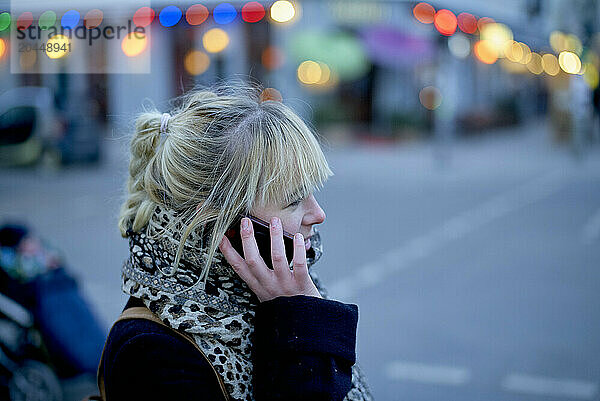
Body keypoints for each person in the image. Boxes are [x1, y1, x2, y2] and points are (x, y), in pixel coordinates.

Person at [100, 81, 374, 401]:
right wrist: (301, 326)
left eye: (312, 192)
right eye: (293, 201)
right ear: (220, 222)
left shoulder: (275, 288)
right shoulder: (150, 351)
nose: (318, 213)